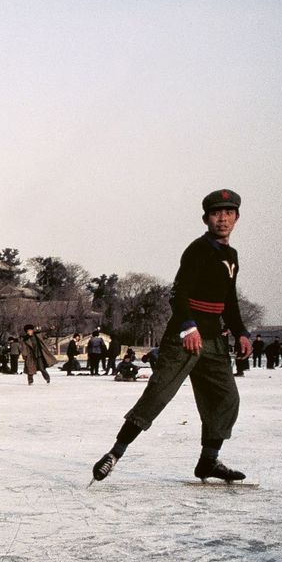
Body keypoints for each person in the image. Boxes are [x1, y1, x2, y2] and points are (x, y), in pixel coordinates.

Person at [92, 189, 252, 484]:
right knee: (158, 394)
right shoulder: (198, 250)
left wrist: (241, 332)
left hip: (214, 339)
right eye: (217, 213)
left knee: (226, 399)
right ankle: (114, 453)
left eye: (229, 213)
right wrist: (188, 326)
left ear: (237, 217)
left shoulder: (231, 255)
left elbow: (229, 302)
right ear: (206, 218)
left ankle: (208, 462)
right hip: (185, 336)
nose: (223, 219)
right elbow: (178, 294)